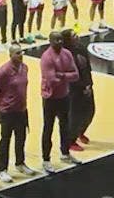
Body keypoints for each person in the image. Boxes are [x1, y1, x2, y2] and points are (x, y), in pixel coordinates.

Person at [0, 44, 38, 183]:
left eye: (21, 52)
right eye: (17, 53)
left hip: (21, 110)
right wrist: (3, 103)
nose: (21, 55)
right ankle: (2, 169)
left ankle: (20, 163)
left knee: (21, 138)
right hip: (7, 112)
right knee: (5, 140)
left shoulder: (25, 68)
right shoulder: (4, 71)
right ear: (11, 55)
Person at [39, 30, 80, 171]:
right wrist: (66, 76)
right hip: (50, 97)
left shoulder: (67, 54)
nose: (60, 42)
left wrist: (61, 75)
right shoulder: (46, 57)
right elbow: (52, 80)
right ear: (50, 41)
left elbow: (76, 75)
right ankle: (46, 159)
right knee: (48, 128)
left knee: (65, 126)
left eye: (61, 39)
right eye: (56, 40)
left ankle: (65, 153)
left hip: (64, 95)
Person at [63, 29, 94, 152]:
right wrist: (82, 86)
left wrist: (89, 85)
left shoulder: (81, 48)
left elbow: (88, 69)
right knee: (75, 115)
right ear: (68, 39)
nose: (77, 36)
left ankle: (80, 131)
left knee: (90, 112)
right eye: (74, 35)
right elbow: (69, 75)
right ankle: (71, 140)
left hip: (86, 85)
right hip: (73, 89)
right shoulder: (65, 54)